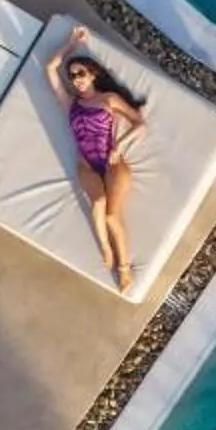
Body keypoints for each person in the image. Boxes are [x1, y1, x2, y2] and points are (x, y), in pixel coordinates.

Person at [46, 24, 148, 292]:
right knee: (98, 203)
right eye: (72, 76)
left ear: (93, 74)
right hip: (87, 165)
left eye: (80, 73)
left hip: (113, 162)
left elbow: (140, 124)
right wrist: (71, 42)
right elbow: (50, 69)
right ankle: (105, 247)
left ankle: (124, 271)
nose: (76, 79)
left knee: (112, 217)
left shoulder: (109, 99)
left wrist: (120, 146)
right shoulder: (71, 103)